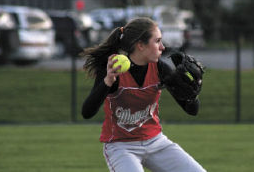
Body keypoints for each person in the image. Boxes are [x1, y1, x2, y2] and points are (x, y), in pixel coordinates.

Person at [81, 17, 206, 172]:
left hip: (155, 142)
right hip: (121, 147)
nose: (163, 47)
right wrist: (107, 81)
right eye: (157, 41)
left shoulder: (160, 68)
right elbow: (87, 112)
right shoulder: (115, 68)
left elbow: (192, 110)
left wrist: (192, 93)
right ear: (140, 45)